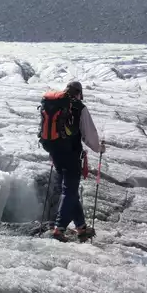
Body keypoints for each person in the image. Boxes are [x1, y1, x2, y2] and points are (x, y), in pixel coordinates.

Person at [38, 81, 105, 242]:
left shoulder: (53, 104)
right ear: (79, 93)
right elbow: (89, 135)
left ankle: (81, 227)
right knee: (69, 190)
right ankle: (59, 228)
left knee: (70, 190)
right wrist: (99, 148)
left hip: (54, 151)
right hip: (71, 154)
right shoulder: (79, 107)